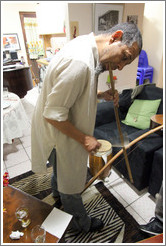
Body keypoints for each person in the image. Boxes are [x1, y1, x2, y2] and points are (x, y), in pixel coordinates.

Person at [31, 22, 142, 233]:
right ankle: (81, 223)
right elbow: (53, 114)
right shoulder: (80, 62)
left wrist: (101, 95)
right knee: (72, 182)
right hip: (60, 133)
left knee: (60, 170)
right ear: (116, 37)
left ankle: (57, 193)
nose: (120, 66)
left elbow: (74, 93)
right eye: (125, 57)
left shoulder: (86, 45)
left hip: (60, 129)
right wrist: (85, 139)